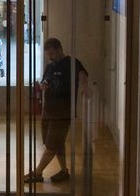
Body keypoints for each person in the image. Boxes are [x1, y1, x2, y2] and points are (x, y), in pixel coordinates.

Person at [24, 38, 90, 184]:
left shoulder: (72, 63)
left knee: (51, 145)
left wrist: (85, 87)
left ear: (59, 49)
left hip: (63, 113)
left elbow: (82, 75)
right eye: (48, 55)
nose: (51, 57)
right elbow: (44, 82)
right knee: (57, 143)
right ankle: (64, 171)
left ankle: (37, 172)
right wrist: (42, 87)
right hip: (48, 112)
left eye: (52, 54)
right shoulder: (50, 66)